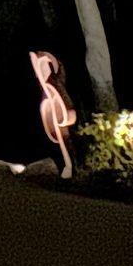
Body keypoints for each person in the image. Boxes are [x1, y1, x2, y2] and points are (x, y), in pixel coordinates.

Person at [30, 48, 78, 177]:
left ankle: (73, 167)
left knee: (67, 140)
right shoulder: (45, 86)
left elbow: (59, 69)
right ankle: (68, 167)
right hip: (55, 115)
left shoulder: (56, 81)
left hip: (63, 113)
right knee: (62, 142)